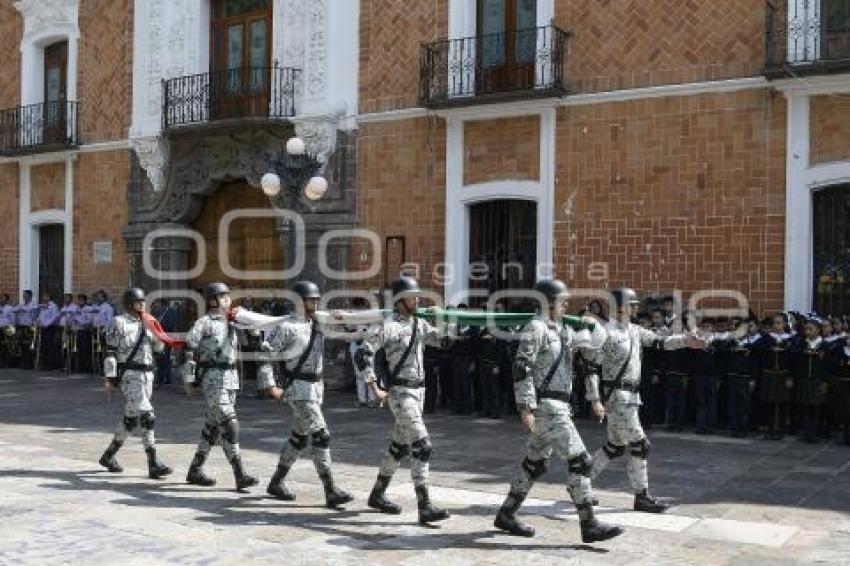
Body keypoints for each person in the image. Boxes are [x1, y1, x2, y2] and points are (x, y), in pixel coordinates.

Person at [493, 279, 623, 542]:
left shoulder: (561, 329)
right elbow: (521, 367)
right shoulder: (536, 328)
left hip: (559, 405)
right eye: (562, 301)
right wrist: (525, 406)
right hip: (547, 407)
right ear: (549, 303)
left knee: (535, 464)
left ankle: (507, 513)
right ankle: (588, 523)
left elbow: (588, 356)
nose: (566, 306)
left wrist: (592, 332)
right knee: (581, 460)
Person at [584, 288, 706, 513]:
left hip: (632, 396)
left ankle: (580, 483)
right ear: (618, 308)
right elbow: (591, 367)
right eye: (631, 304)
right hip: (617, 396)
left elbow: (661, 341)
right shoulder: (605, 333)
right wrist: (594, 399)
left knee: (614, 447)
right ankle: (642, 496)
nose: (635, 308)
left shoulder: (635, 330)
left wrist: (687, 340)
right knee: (641, 445)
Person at [352, 276, 452, 525]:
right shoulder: (388, 326)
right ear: (399, 301)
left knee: (398, 448)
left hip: (419, 393)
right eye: (412, 296)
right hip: (401, 394)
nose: (417, 299)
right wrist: (374, 387)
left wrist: (444, 317)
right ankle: (424, 504)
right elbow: (363, 354)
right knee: (422, 445)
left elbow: (445, 341)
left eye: (418, 295)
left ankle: (377, 494)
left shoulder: (419, 324)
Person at [258, 281, 354, 508]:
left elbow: (344, 333)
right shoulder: (286, 327)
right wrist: (271, 385)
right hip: (298, 389)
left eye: (316, 299)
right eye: (311, 299)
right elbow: (266, 356)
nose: (315, 303)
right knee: (321, 435)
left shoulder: (318, 324)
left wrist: (343, 319)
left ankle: (276, 482)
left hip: (315, 389)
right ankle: (330, 489)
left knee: (299, 438)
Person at [183, 282, 258, 491]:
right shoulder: (204, 323)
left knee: (213, 428)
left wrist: (249, 323)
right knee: (230, 425)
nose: (228, 300)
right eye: (223, 297)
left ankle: (195, 470)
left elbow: (253, 342)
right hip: (213, 379)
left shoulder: (233, 323)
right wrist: (189, 379)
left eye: (228, 297)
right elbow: (189, 348)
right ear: (212, 300)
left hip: (231, 379)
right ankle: (240, 474)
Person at [98, 288, 172, 479]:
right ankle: (153, 462)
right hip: (130, 375)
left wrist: (158, 336)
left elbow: (159, 348)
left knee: (131, 420)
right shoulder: (119, 322)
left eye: (144, 302)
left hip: (148, 375)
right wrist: (110, 378)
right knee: (148, 416)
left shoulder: (148, 321)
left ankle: (108, 456)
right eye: (139, 302)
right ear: (129, 304)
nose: (143, 305)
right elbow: (110, 352)